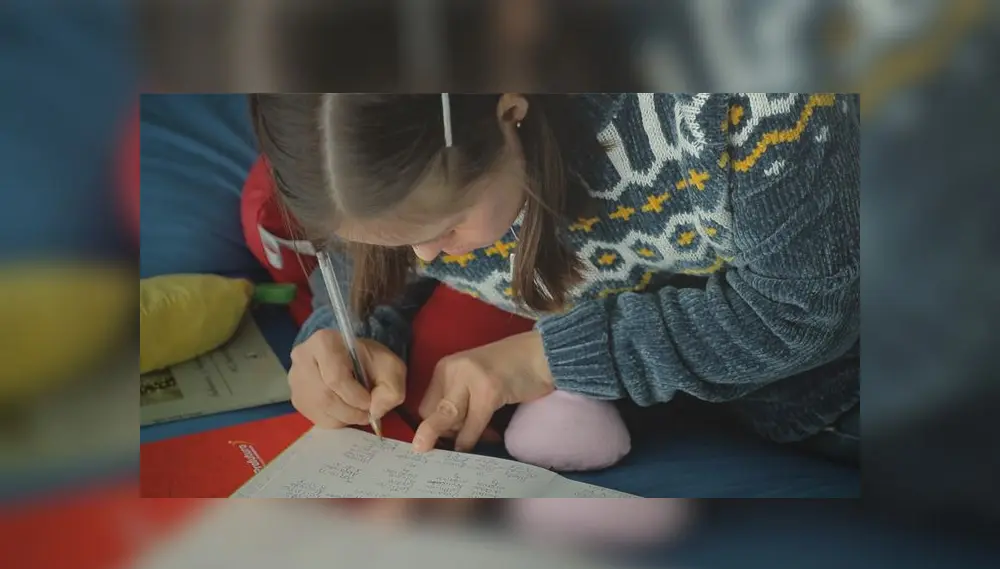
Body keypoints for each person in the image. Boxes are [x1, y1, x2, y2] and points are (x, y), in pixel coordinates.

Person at [248, 93, 860, 467]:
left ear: (510, 113)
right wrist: (342, 336)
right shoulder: (362, 148)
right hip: (672, 423)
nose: (424, 253)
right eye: (387, 238)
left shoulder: (752, 104)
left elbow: (804, 312)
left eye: (450, 224)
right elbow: (365, 255)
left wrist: (543, 360)